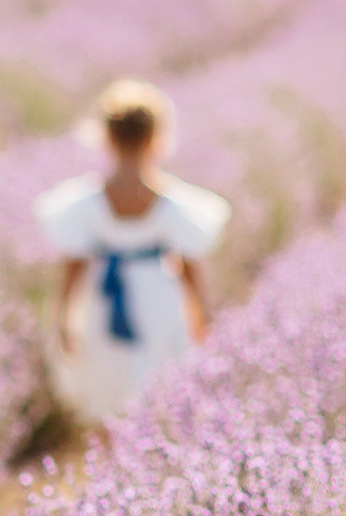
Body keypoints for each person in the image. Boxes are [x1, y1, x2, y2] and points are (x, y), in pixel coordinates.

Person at [37, 79, 231, 425]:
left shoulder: (85, 202)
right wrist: (202, 319)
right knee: (158, 390)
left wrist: (63, 318)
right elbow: (190, 269)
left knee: (106, 391)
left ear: (107, 139)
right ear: (157, 139)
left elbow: (73, 267)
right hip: (159, 300)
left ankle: (110, 461)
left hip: (102, 301)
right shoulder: (175, 204)